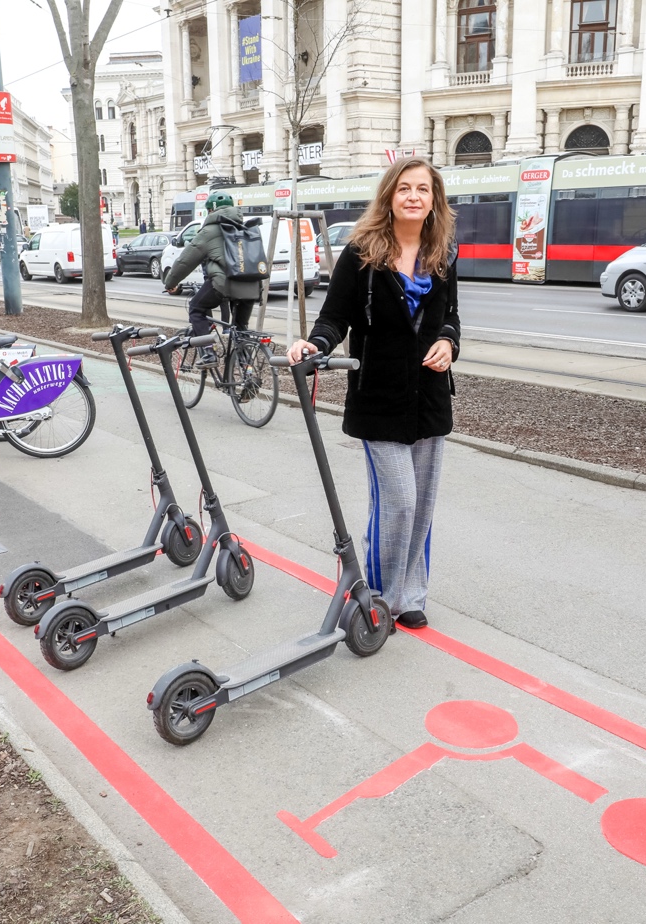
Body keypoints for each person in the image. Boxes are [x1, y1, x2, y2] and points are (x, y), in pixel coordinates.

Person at [287, 157, 460, 630]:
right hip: (378, 396)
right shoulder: (361, 252)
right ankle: (380, 597)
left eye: (423, 189)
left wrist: (448, 342)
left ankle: (412, 593)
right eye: (404, 188)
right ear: (389, 196)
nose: (413, 196)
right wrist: (314, 343)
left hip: (428, 398)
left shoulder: (443, 252)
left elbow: (451, 317)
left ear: (434, 200)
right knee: (398, 501)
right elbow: (334, 317)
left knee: (421, 504)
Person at [163, 190, 262, 367]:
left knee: (196, 308)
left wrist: (170, 282)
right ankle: (247, 373)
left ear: (210, 211)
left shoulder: (209, 231)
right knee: (240, 329)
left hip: (224, 284)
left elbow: (186, 260)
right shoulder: (244, 227)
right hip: (251, 285)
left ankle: (208, 353)